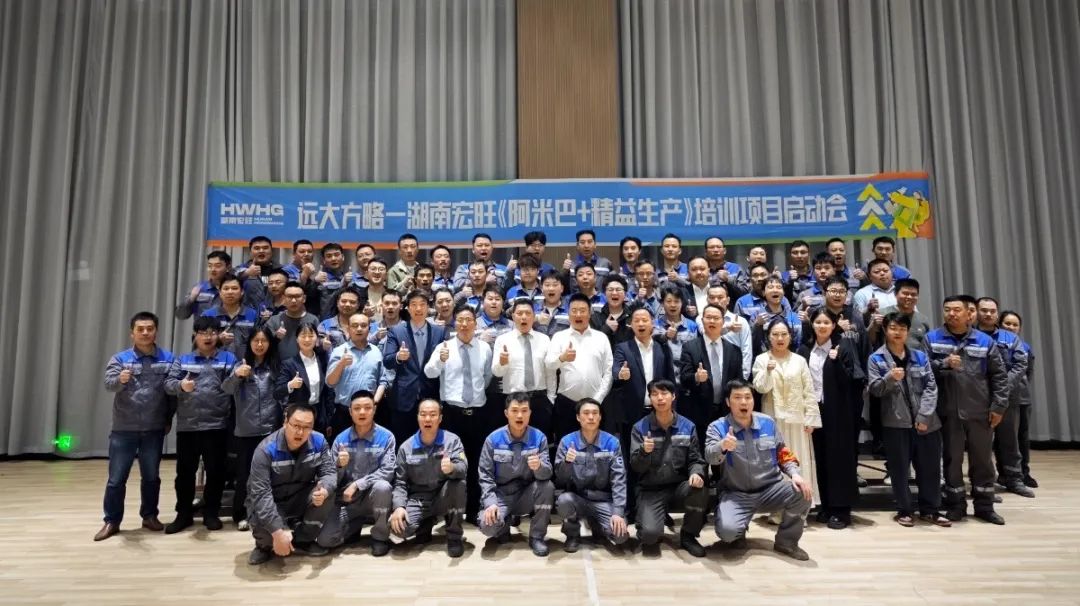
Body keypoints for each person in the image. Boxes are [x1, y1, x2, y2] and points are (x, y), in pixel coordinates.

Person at [705, 380, 813, 561]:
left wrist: (795, 474)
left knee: (803, 492)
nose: (743, 402)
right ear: (728, 402)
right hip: (736, 493)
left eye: (748, 397)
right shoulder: (717, 427)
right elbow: (709, 456)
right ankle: (737, 530)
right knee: (727, 533)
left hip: (771, 490)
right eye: (737, 397)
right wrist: (722, 445)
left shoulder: (767, 423)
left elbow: (782, 452)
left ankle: (787, 542)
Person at [925, 295, 1010, 524]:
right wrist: (943, 363)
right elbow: (922, 370)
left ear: (968, 313)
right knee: (951, 460)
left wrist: (999, 406)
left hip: (980, 411)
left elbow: (999, 376)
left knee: (983, 461)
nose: (951, 314)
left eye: (956, 310)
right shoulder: (932, 338)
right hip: (947, 412)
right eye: (947, 310)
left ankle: (985, 506)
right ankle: (956, 505)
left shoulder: (984, 341)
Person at [96, 311, 175, 541]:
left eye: (150, 329)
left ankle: (149, 516)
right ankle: (111, 521)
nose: (145, 333)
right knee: (116, 479)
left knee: (151, 477)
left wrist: (168, 418)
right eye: (140, 329)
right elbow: (108, 384)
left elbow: (172, 394)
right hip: (124, 429)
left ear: (156, 331)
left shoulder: (168, 358)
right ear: (132, 333)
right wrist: (119, 380)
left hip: (154, 428)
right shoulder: (120, 359)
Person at [868, 313, 950, 527]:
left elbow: (931, 387)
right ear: (885, 330)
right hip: (895, 424)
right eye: (893, 328)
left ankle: (931, 510)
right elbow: (875, 390)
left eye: (902, 328)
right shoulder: (876, 358)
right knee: (899, 470)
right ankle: (904, 510)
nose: (898, 332)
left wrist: (924, 416)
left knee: (930, 470)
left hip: (927, 423)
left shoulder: (920, 356)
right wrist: (890, 378)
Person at [164, 316, 240, 533]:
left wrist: (238, 375)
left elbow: (234, 386)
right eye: (203, 333)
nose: (208, 337)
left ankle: (211, 513)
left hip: (217, 425)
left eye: (213, 332)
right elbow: (168, 384)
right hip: (188, 426)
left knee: (216, 472)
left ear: (219, 335)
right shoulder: (183, 359)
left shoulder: (228, 358)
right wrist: (181, 385)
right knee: (184, 474)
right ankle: (184, 514)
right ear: (194, 336)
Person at [797, 309, 864, 529]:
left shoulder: (843, 347)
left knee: (839, 459)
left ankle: (841, 509)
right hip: (814, 411)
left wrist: (837, 363)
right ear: (812, 325)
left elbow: (853, 381)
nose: (822, 326)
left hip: (839, 411)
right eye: (818, 322)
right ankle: (825, 505)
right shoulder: (805, 349)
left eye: (827, 322)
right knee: (820, 458)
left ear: (834, 325)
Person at [424, 305, 493, 519]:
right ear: (455, 323)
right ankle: (450, 512)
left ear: (475, 323)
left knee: (476, 462)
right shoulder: (444, 347)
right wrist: (440, 360)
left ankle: (473, 509)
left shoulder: (485, 348)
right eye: (460, 320)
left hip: (478, 413)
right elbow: (429, 373)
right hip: (452, 414)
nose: (464, 324)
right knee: (450, 462)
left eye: (468, 320)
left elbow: (487, 378)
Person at [245, 403, 337, 565]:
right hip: (272, 501)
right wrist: (277, 532)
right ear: (285, 422)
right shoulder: (265, 450)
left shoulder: (319, 441)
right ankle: (264, 546)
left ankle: (303, 540)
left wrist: (324, 490)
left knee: (328, 495)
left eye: (307, 427)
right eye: (296, 425)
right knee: (265, 523)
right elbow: (261, 495)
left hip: (300, 497)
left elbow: (329, 473)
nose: (300, 432)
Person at [629, 379, 707, 557]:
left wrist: (696, 473)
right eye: (654, 394)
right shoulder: (640, 428)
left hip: (679, 487)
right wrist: (644, 452)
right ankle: (651, 518)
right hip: (651, 489)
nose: (660, 398)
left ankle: (688, 536)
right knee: (649, 537)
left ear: (673, 396)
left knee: (699, 489)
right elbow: (636, 467)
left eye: (664, 393)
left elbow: (696, 459)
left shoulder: (688, 426)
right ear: (650, 398)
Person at [318, 390, 396, 556]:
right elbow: (329, 476)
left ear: (374, 410)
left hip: (372, 496)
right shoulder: (340, 439)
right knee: (325, 540)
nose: (362, 412)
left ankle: (380, 537)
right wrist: (339, 465)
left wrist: (357, 484)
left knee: (383, 487)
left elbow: (388, 470)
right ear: (350, 411)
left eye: (367, 408)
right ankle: (355, 524)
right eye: (357, 408)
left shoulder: (386, 437)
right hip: (347, 500)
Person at [752, 318, 820, 506]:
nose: (780, 338)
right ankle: (776, 508)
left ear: (790, 336)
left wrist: (811, 419)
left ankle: (801, 505)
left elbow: (809, 390)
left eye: (784, 334)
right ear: (769, 337)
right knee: (774, 460)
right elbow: (760, 388)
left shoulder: (799, 360)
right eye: (775, 334)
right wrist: (767, 371)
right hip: (772, 419)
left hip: (797, 419)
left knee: (798, 458)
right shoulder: (761, 359)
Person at [478, 392, 555, 557]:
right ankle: (503, 524)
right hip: (501, 496)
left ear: (530, 413)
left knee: (547, 487)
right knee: (488, 526)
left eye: (524, 410)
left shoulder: (539, 438)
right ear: (506, 413)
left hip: (526, 494)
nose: (520, 415)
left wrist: (539, 467)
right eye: (514, 410)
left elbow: (547, 474)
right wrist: (490, 503)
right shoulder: (493, 439)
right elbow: (485, 475)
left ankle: (537, 537)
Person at [389, 399, 468, 557]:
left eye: (432, 415)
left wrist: (452, 468)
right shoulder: (406, 447)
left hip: (443, 495)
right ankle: (425, 522)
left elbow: (463, 468)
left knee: (459, 484)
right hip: (418, 499)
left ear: (440, 418)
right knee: (399, 529)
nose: (427, 419)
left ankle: (454, 536)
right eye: (423, 414)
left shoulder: (452, 440)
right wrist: (399, 507)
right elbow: (400, 483)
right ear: (417, 417)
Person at [223, 326, 282, 531]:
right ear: (249, 343)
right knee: (245, 475)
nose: (259, 344)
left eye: (264, 341)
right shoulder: (241, 365)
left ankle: (267, 515)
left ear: (270, 344)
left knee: (270, 475)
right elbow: (226, 388)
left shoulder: (275, 366)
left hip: (271, 430)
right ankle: (241, 514)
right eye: (255, 341)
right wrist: (237, 375)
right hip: (246, 430)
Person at [975, 297, 1035, 498]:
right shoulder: (970, 336)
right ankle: (984, 483)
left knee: (1010, 442)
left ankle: (1014, 480)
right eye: (984, 310)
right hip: (978, 398)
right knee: (981, 444)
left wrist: (1001, 388)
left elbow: (1021, 365)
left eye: (992, 311)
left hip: (1008, 398)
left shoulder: (1010, 338)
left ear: (997, 313)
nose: (988, 314)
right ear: (975, 312)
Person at [554, 398, 629, 551]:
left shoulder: (612, 442)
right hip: (578, 498)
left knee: (620, 536)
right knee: (563, 501)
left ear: (600, 417)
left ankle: (597, 525)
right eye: (586, 413)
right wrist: (567, 463)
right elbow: (560, 479)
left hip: (604, 499)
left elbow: (619, 479)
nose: (591, 417)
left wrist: (618, 512)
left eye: (595, 413)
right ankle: (572, 535)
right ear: (578, 417)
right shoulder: (567, 442)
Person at [546, 293, 614, 448]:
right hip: (566, 403)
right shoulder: (559, 337)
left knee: (596, 448)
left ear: (590, 314)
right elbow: (549, 365)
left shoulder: (601, 338)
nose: (578, 314)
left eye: (582, 311)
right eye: (574, 310)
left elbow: (608, 371)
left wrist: (597, 399)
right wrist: (562, 358)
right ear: (568, 313)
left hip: (596, 403)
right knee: (566, 449)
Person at [384, 290, 447, 444]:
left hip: (431, 394)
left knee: (431, 441)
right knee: (403, 440)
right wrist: (398, 357)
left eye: (422, 304)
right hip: (403, 398)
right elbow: (387, 360)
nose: (418, 309)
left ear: (429, 308)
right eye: (414, 304)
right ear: (407, 308)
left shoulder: (439, 332)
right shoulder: (396, 331)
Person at [677, 305, 743, 447]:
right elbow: (684, 378)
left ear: (723, 322)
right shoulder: (690, 347)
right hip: (699, 411)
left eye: (716, 318)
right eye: (708, 317)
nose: (712, 321)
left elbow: (738, 382)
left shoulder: (734, 350)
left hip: (726, 412)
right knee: (701, 452)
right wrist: (696, 377)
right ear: (702, 321)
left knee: (726, 452)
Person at [493, 299, 555, 439]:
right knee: (514, 440)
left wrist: (551, 398)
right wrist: (502, 362)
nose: (524, 317)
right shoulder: (503, 340)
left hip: (539, 400)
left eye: (528, 313)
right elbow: (497, 372)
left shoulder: (544, 339)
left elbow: (550, 372)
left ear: (534, 316)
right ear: (513, 316)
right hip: (513, 400)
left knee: (540, 441)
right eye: (519, 313)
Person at [326, 313, 393, 438]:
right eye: (355, 325)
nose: (359, 329)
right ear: (348, 328)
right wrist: (341, 364)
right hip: (345, 412)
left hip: (371, 411)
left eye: (363, 325)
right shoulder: (339, 351)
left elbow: (383, 381)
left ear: (369, 329)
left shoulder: (376, 351)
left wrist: (375, 402)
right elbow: (330, 382)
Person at [998, 310, 1037, 488]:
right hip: (1003, 398)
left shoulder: (1026, 347)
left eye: (1015, 325)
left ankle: (1024, 473)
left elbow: (1029, 372)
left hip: (1023, 398)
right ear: (1000, 325)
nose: (1011, 327)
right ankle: (1004, 473)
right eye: (1007, 323)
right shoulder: (995, 344)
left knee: (1023, 437)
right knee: (1006, 438)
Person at [275, 324, 332, 434]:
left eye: (311, 336)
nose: (307, 339)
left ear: (317, 338)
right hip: (298, 417)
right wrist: (290, 385)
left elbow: (328, 391)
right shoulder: (289, 364)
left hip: (319, 417)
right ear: (297, 339)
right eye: (303, 336)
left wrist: (328, 418)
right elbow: (277, 393)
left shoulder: (322, 360)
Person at [200, 272, 260, 359]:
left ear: (242, 292)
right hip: (214, 363)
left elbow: (260, 341)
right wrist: (217, 339)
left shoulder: (253, 315)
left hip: (244, 363)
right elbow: (198, 344)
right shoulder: (208, 315)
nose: (230, 292)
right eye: (226, 288)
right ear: (220, 292)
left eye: (234, 288)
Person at [265, 281, 320, 362]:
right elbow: (264, 346)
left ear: (304, 298)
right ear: (283, 299)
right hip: (280, 366)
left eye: (297, 296)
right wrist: (276, 337)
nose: (293, 300)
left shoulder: (313, 320)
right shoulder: (274, 320)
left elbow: (318, 345)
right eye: (290, 296)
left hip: (307, 365)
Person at [871, 278, 931, 350]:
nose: (909, 297)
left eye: (913, 294)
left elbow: (926, 346)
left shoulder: (923, 319)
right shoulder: (881, 314)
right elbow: (869, 341)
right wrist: (873, 326)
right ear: (895, 294)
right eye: (905, 293)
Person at [655, 285, 699, 375]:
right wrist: (666, 335)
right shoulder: (655, 324)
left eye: (676, 301)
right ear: (662, 303)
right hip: (664, 374)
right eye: (669, 301)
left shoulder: (692, 325)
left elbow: (695, 353)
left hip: (686, 374)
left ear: (682, 303)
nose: (673, 305)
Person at [175, 250, 231, 319]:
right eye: (210, 266)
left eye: (217, 266)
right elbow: (181, 315)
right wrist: (191, 299)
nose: (213, 269)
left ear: (228, 268)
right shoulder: (199, 288)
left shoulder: (234, 289)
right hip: (202, 325)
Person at [307, 243, 352, 319]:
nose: (333, 258)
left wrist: (346, 284)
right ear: (324, 260)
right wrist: (315, 282)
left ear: (343, 257)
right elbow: (308, 298)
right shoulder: (319, 279)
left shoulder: (349, 278)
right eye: (329, 256)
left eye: (336, 255)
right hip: (326, 321)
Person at [590, 274, 633, 349]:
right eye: (610, 290)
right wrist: (606, 328)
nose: (614, 293)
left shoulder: (633, 318)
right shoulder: (595, 318)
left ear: (625, 294)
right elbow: (592, 345)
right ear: (604, 294)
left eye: (618, 289)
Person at [318, 287, 362, 351]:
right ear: (337, 303)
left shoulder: (365, 325)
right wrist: (322, 344)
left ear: (358, 305)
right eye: (344, 301)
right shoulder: (325, 325)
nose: (347, 304)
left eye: (352, 302)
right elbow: (315, 345)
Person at [534, 270, 570, 337]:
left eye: (555, 285)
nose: (551, 288)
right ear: (541, 288)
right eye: (547, 285)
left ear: (562, 288)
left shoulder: (570, 309)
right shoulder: (533, 308)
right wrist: (536, 319)